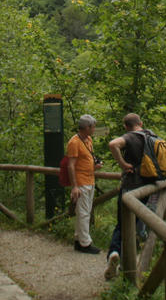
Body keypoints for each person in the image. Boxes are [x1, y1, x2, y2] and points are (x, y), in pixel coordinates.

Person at [103, 112, 157, 279]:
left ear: (126, 126)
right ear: (140, 122)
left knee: (122, 223)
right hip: (148, 187)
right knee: (134, 224)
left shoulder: (130, 137)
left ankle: (114, 253)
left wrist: (123, 163)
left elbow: (113, 144)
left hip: (130, 187)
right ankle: (130, 262)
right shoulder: (153, 137)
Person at [66, 114, 102, 254]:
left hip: (90, 179)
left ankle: (78, 240)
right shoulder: (74, 142)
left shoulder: (88, 140)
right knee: (83, 213)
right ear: (87, 127)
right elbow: (71, 165)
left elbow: (86, 160)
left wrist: (95, 166)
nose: (94, 129)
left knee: (84, 211)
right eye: (93, 127)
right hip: (81, 182)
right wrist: (74, 186)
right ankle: (85, 243)